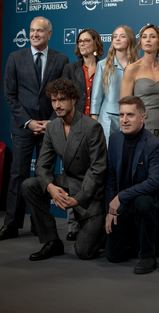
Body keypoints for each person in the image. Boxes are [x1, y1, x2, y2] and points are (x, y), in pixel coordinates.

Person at [0, 16, 69, 242]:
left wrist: (51, 121)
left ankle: (39, 224)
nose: (35, 34)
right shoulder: (15, 58)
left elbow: (63, 95)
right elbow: (10, 95)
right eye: (32, 30)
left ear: (49, 34)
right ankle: (11, 225)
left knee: (43, 178)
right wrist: (29, 122)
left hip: (49, 129)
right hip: (23, 128)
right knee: (18, 176)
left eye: (40, 31)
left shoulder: (60, 59)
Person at [21, 78, 108, 261]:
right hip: (68, 182)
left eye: (62, 100)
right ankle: (51, 241)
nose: (57, 105)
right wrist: (50, 187)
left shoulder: (92, 127)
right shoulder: (52, 128)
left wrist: (77, 200)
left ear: (73, 99)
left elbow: (97, 169)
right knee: (30, 185)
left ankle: (101, 233)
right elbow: (42, 165)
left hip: (89, 192)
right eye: (54, 100)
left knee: (84, 252)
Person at [105, 96, 159, 274]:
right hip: (122, 204)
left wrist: (120, 197)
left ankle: (148, 254)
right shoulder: (114, 139)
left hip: (144, 200)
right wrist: (110, 208)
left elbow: (154, 183)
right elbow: (110, 178)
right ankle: (136, 242)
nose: (124, 120)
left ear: (142, 117)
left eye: (130, 115)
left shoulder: (154, 144)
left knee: (144, 202)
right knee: (113, 255)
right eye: (121, 115)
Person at [62, 28, 104, 241]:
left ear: (96, 44)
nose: (82, 44)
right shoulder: (70, 68)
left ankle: (95, 221)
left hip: (98, 128)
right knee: (74, 177)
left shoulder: (106, 67)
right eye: (80, 41)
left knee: (94, 175)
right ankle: (73, 225)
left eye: (87, 40)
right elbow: (65, 97)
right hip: (75, 127)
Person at [121, 24, 159, 184]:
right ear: (140, 42)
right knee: (141, 178)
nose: (148, 40)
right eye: (144, 36)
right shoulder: (132, 69)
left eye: (152, 36)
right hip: (141, 131)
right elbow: (125, 106)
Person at [91, 25, 138, 144]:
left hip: (131, 118)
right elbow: (96, 96)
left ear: (130, 40)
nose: (117, 39)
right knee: (107, 156)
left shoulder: (137, 65)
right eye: (114, 36)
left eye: (122, 36)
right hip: (107, 118)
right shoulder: (102, 65)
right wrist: (94, 121)